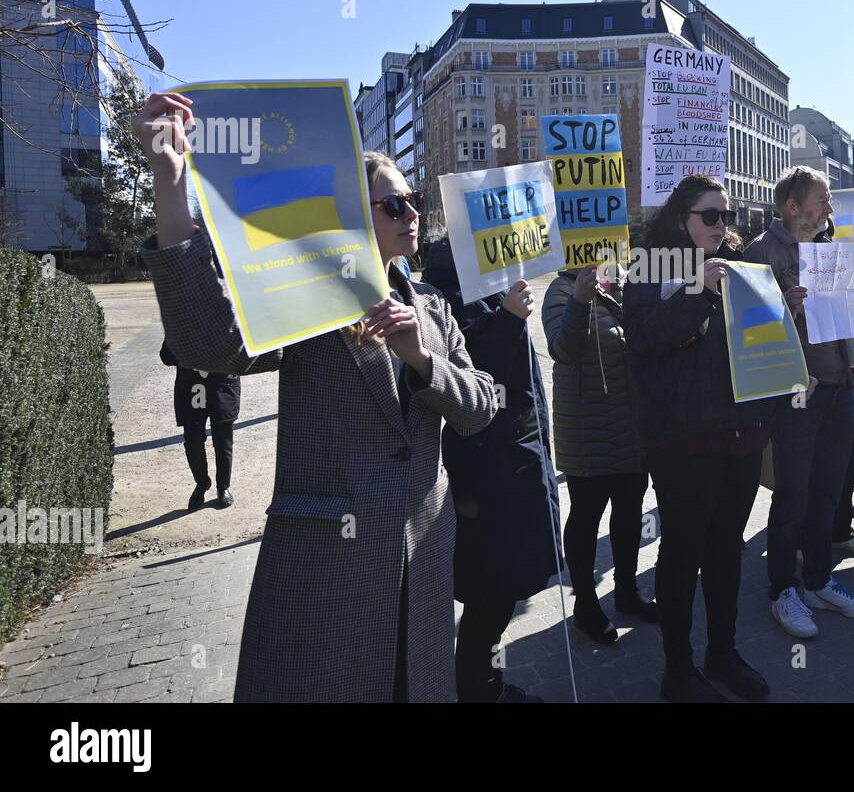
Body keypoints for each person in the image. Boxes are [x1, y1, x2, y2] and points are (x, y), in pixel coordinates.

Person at [134, 92, 498, 702]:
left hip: (424, 557)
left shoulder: (432, 305)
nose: (412, 213)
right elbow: (207, 343)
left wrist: (421, 358)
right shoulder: (310, 299)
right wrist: (172, 187)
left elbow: (481, 406)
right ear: (357, 219)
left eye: (415, 201)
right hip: (330, 567)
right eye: (394, 203)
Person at [624, 175, 772, 703]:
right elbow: (642, 339)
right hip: (682, 436)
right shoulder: (649, 264)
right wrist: (698, 292)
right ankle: (678, 668)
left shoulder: (739, 265)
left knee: (727, 549)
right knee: (683, 552)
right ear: (681, 216)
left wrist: (785, 312)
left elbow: (758, 341)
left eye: (726, 217)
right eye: (711, 215)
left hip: (740, 430)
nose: (721, 226)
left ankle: (723, 653)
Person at [745, 167, 854, 640]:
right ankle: (783, 590)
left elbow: (849, 317)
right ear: (792, 206)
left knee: (827, 491)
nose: (829, 208)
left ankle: (819, 580)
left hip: (841, 383)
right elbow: (749, 334)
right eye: (822, 200)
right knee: (794, 495)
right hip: (798, 393)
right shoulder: (760, 253)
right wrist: (784, 306)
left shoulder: (832, 250)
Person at [422, 240, 561, 703]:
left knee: (508, 586)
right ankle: (477, 691)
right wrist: (506, 319)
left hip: (522, 446)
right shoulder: (444, 277)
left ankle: (486, 685)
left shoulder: (497, 267)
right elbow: (458, 367)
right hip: (486, 461)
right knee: (493, 592)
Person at [542, 261, 658, 645]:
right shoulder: (561, 290)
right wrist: (579, 299)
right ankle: (585, 605)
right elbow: (563, 350)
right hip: (586, 430)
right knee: (586, 518)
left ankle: (627, 591)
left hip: (631, 426)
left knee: (628, 514)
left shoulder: (624, 281)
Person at [160, 337, 241, 511]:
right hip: (190, 385)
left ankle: (223, 487)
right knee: (193, 441)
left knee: (223, 440)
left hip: (222, 384)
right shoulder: (184, 318)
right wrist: (192, 360)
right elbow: (166, 355)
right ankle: (202, 482)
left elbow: (241, 351)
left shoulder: (230, 316)